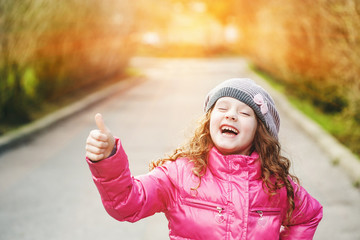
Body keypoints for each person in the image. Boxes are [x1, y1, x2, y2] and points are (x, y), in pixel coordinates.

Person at [85, 78, 323, 239]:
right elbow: (127, 202)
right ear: (209, 121)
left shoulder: (276, 184)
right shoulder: (179, 173)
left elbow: (309, 215)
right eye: (223, 108)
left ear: (260, 131)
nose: (231, 115)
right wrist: (109, 159)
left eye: (244, 112)